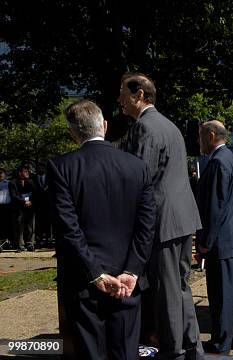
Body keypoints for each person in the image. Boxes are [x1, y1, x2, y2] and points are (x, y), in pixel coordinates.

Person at [48, 99, 156, 360]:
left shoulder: (61, 167)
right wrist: (132, 270)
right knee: (126, 353)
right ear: (105, 126)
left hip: (84, 283)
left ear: (72, 133)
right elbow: (147, 225)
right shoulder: (136, 166)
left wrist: (95, 274)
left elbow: (68, 228)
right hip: (127, 282)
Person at [118, 72, 204, 359]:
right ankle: (191, 344)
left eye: (122, 93)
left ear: (139, 94)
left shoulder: (145, 128)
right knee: (179, 286)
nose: (119, 99)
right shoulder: (168, 125)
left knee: (168, 289)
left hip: (163, 220)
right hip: (181, 218)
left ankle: (173, 350)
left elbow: (141, 179)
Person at [196, 120, 233, 354]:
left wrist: (205, 242)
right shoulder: (231, 159)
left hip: (222, 241)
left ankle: (221, 342)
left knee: (221, 295)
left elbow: (215, 207)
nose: (199, 141)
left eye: (201, 136)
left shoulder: (217, 162)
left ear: (211, 135)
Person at [9, 164, 36, 252]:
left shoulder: (31, 181)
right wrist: (24, 202)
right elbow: (14, 196)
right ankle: (20, 245)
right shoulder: (12, 182)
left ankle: (30, 244)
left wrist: (30, 201)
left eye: (28, 171)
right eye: (25, 171)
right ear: (20, 173)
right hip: (18, 208)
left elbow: (35, 193)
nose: (27, 173)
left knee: (30, 226)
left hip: (30, 207)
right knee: (19, 227)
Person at [33, 162, 53, 246]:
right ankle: (39, 240)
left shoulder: (50, 178)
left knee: (48, 223)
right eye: (39, 168)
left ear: (45, 169)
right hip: (37, 204)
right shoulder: (33, 178)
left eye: (42, 168)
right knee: (38, 223)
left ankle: (49, 240)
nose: (40, 169)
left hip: (48, 204)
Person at [0, 168, 11, 247]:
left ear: (5, 174)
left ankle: (7, 241)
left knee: (7, 225)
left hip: (7, 206)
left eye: (1, 173)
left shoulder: (8, 183)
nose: (0, 175)